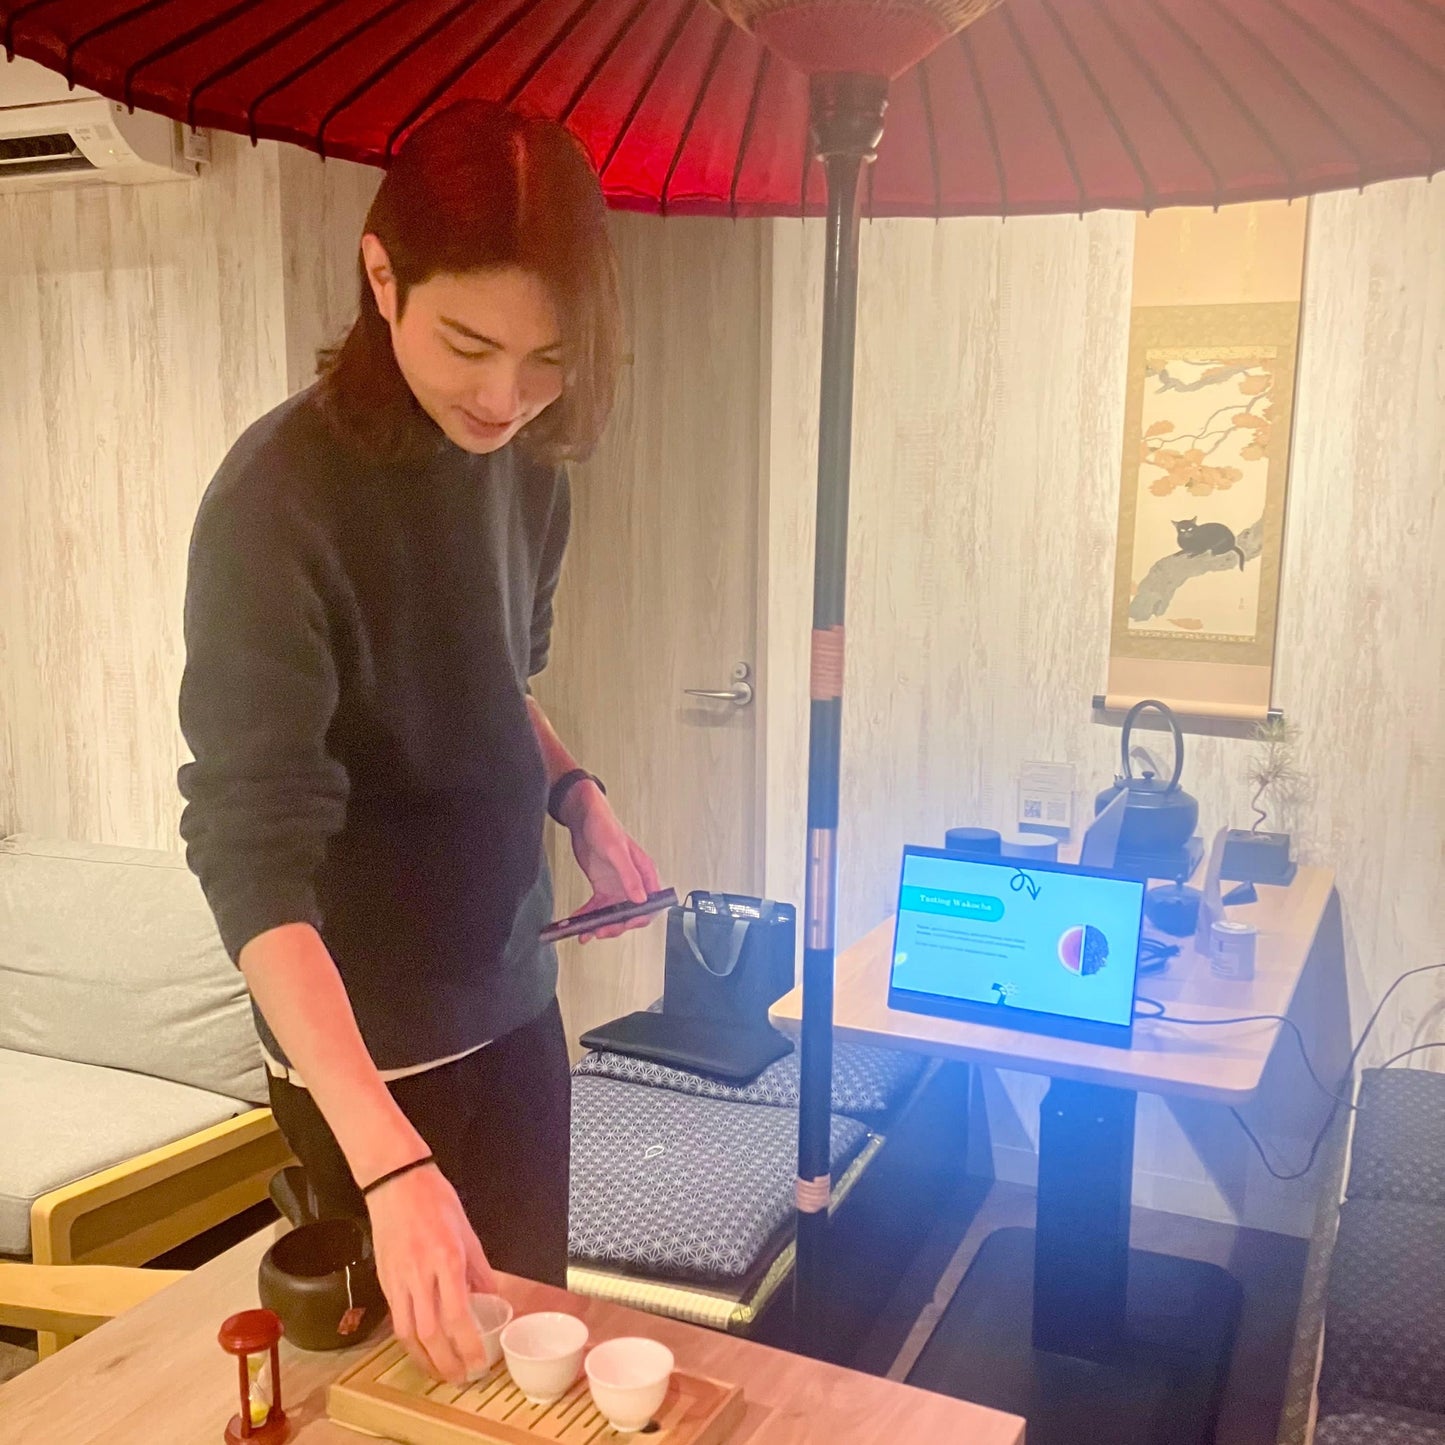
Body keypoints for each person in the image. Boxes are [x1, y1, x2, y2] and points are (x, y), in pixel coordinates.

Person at [178, 102, 661, 1389]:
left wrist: (576, 795)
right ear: (380, 277)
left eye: (550, 357)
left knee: (535, 1370)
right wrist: (389, 1161)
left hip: (512, 1001)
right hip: (364, 1056)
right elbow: (248, 857)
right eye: (468, 343)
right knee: (403, 1390)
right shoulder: (274, 504)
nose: (507, 397)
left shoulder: (527, 466)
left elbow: (495, 678)